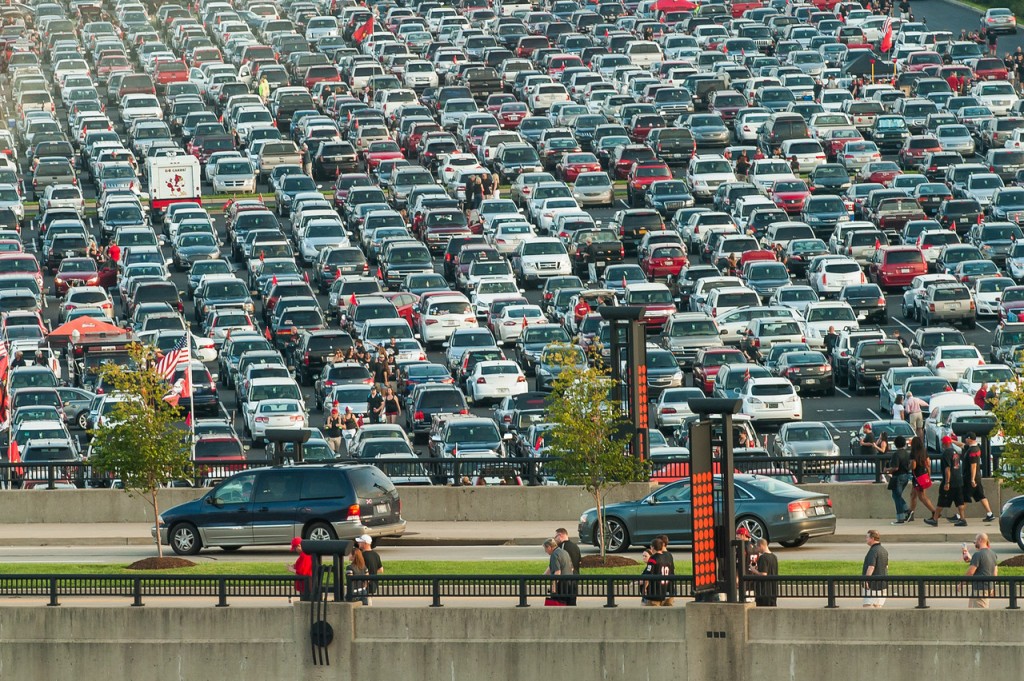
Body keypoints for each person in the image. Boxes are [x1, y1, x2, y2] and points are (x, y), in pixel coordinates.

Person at [925, 436, 967, 527]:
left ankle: (935, 519)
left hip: (950, 481)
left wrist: (947, 482)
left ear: (945, 443)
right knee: (959, 501)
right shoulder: (955, 452)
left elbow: (947, 468)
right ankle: (963, 519)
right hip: (958, 480)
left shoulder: (946, 453)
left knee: (942, 500)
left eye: (942, 443)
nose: (942, 444)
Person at [961, 433, 996, 523]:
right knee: (981, 496)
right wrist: (951, 441)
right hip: (977, 477)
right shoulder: (974, 448)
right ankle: (990, 514)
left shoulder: (972, 451)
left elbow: (973, 466)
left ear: (969, 439)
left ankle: (960, 516)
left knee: (965, 496)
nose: (965, 440)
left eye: (966, 438)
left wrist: (972, 479)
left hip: (971, 478)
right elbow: (961, 445)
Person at [963, 533, 998, 608]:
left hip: (979, 589)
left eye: (975, 541)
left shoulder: (977, 554)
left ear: (980, 540)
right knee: (972, 612)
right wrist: (992, 587)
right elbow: (995, 573)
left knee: (980, 614)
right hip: (987, 588)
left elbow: (970, 572)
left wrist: (961, 584)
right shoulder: (993, 554)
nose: (974, 543)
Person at [908, 436, 937, 522]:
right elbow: (928, 463)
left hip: (917, 477)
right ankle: (911, 513)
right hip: (923, 475)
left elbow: (913, 466)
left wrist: (908, 466)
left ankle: (934, 512)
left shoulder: (913, 453)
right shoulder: (924, 452)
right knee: (912, 495)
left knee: (922, 497)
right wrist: (929, 475)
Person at [640, 537, 673, 606]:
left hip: (655, 592)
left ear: (652, 547)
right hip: (666, 590)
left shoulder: (653, 559)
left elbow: (648, 575)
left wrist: (644, 587)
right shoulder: (667, 556)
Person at [887, 435, 911, 524]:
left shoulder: (896, 454)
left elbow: (895, 467)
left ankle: (900, 517)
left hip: (898, 477)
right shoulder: (907, 453)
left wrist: (887, 470)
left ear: (896, 444)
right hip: (906, 476)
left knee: (896, 496)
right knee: (897, 495)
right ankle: (907, 510)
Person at [543, 537, 575, 605]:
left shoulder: (554, 555)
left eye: (545, 549)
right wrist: (543, 576)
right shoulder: (564, 552)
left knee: (558, 607)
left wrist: (554, 588)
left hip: (561, 586)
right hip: (570, 584)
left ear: (549, 547)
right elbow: (572, 568)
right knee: (568, 606)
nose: (545, 551)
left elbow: (557, 572)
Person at [862, 529, 889, 608]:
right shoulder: (884, 550)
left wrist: (866, 580)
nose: (866, 539)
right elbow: (886, 566)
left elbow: (871, 567)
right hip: (882, 585)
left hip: (872, 586)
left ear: (872, 538)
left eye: (867, 537)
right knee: (878, 608)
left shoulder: (873, 551)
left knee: (868, 607)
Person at [748, 538, 778, 607]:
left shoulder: (763, 558)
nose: (757, 550)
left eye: (757, 547)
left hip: (763, 591)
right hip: (773, 590)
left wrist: (753, 570)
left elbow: (764, 574)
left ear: (761, 545)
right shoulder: (774, 557)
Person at [555, 528, 581, 605]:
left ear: (560, 535)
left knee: (561, 604)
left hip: (565, 579)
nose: (555, 539)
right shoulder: (575, 546)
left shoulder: (561, 547)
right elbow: (579, 561)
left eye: (555, 537)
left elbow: (559, 564)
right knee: (572, 603)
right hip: (575, 577)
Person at [356, 534, 382, 605]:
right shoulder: (376, 555)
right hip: (373, 584)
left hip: (364, 585)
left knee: (364, 604)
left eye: (360, 542)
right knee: (369, 602)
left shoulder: (362, 555)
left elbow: (358, 568)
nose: (358, 543)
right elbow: (381, 570)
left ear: (365, 543)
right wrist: (372, 571)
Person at [288, 537, 313, 601]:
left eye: (295, 548)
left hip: (306, 586)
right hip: (305, 586)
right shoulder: (305, 554)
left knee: (305, 601)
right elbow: (301, 565)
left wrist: (292, 570)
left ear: (299, 546)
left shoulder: (305, 555)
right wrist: (294, 566)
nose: (295, 550)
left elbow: (303, 573)